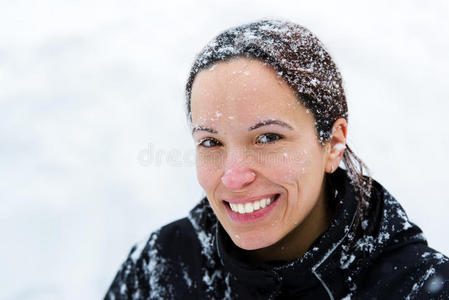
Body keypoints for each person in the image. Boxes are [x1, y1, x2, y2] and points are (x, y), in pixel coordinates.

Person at [104, 20, 449, 299]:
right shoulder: (161, 267)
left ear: (333, 143)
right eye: (211, 142)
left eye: (268, 137)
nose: (233, 176)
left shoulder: (421, 289)